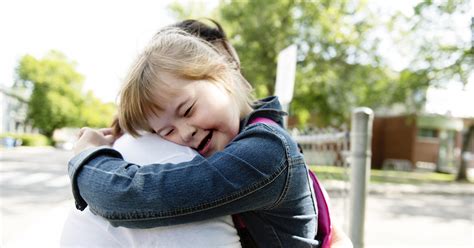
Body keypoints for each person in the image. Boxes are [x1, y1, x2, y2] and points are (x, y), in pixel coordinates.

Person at [69, 21, 351, 247]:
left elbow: (137, 197)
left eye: (188, 109)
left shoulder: (266, 155)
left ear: (224, 75)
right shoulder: (254, 139)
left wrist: (88, 156)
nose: (185, 132)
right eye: (166, 131)